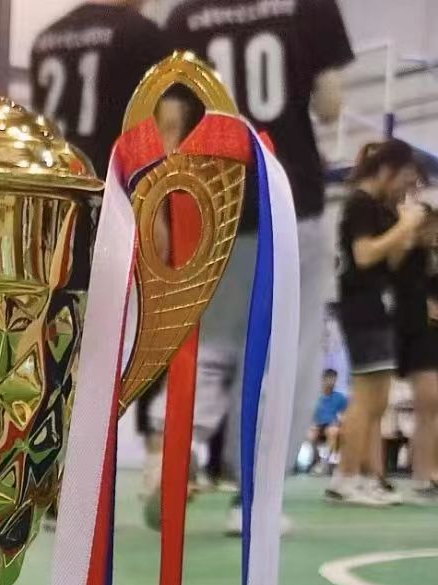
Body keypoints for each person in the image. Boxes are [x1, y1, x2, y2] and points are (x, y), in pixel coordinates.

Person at [146, 0, 355, 531]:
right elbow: (330, 105)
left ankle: (177, 449)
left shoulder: (185, 17)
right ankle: (253, 499)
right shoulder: (307, 5)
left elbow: (169, 121)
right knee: (283, 352)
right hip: (288, 199)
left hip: (212, 202)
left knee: (208, 343)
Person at [327, 140, 425, 507]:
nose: (404, 187)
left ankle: (365, 475)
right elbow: (364, 254)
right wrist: (405, 227)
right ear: (387, 170)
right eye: (404, 178)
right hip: (362, 307)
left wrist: (406, 229)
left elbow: (391, 262)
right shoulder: (360, 204)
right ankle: (345, 477)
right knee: (366, 397)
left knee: (378, 400)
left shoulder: (381, 208)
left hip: (381, 306)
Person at [30, 0, 164, 178]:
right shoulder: (142, 33)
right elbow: (168, 123)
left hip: (54, 175)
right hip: (112, 181)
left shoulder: (45, 38)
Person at [393, 203, 438, 500]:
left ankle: (429, 470)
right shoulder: (409, 257)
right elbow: (407, 298)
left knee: (433, 409)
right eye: (429, 225)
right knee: (427, 406)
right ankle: (423, 473)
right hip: (419, 338)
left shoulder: (431, 259)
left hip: (432, 336)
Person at [306, 367, 348, 472]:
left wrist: (339, 422)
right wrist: (314, 425)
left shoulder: (340, 398)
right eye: (328, 378)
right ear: (323, 379)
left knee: (333, 431)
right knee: (311, 434)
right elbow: (312, 415)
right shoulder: (317, 398)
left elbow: (344, 415)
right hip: (318, 425)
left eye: (333, 379)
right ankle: (315, 461)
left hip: (332, 425)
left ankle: (327, 462)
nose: (331, 381)